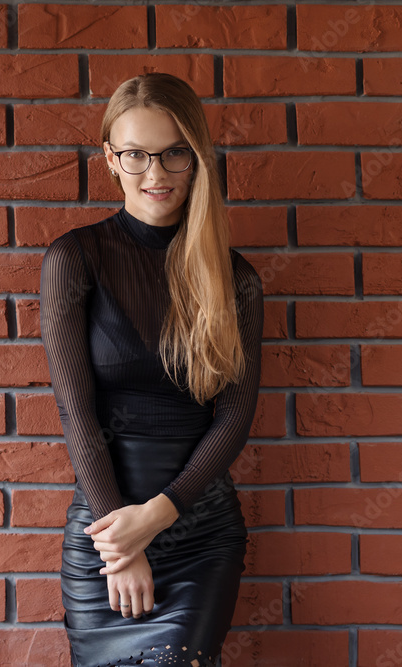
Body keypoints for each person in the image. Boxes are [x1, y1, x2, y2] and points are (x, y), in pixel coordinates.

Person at [39, 72, 264, 667]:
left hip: (199, 533)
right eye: (136, 154)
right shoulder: (75, 259)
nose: (155, 173)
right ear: (110, 159)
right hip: (105, 535)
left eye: (173, 154)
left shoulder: (235, 279)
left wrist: (156, 518)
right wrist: (122, 542)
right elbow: (77, 413)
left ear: (197, 158)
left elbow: (234, 419)